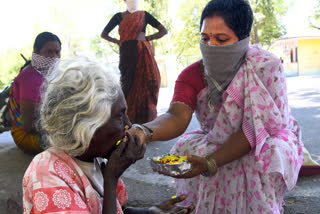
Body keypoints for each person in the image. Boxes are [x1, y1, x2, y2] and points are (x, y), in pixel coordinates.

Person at [130, 0, 304, 213]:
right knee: (192, 149)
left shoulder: (266, 67)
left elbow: (256, 129)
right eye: (205, 38)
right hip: (217, 139)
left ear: (243, 39)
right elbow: (177, 116)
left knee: (263, 155)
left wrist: (210, 163)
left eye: (221, 39)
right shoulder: (192, 74)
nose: (211, 46)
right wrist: (144, 131)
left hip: (263, 140)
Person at [22, 57, 194, 214]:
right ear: (87, 127)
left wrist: (147, 211)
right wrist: (111, 180)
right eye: (120, 116)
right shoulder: (46, 175)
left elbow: (109, 208)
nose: (129, 125)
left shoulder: (93, 159)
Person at [101, 0, 168, 124]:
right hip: (126, 55)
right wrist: (117, 41)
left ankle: (146, 121)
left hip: (143, 54)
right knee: (127, 85)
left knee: (149, 83)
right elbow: (103, 34)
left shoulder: (144, 15)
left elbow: (163, 31)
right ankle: (126, 121)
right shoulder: (118, 16)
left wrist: (147, 38)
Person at [8, 32, 61, 154]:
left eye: (57, 52)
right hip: (28, 137)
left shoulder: (44, 75)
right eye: (49, 52)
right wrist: (63, 126)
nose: (54, 57)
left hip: (43, 129)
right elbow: (29, 126)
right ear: (36, 52)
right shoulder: (30, 77)